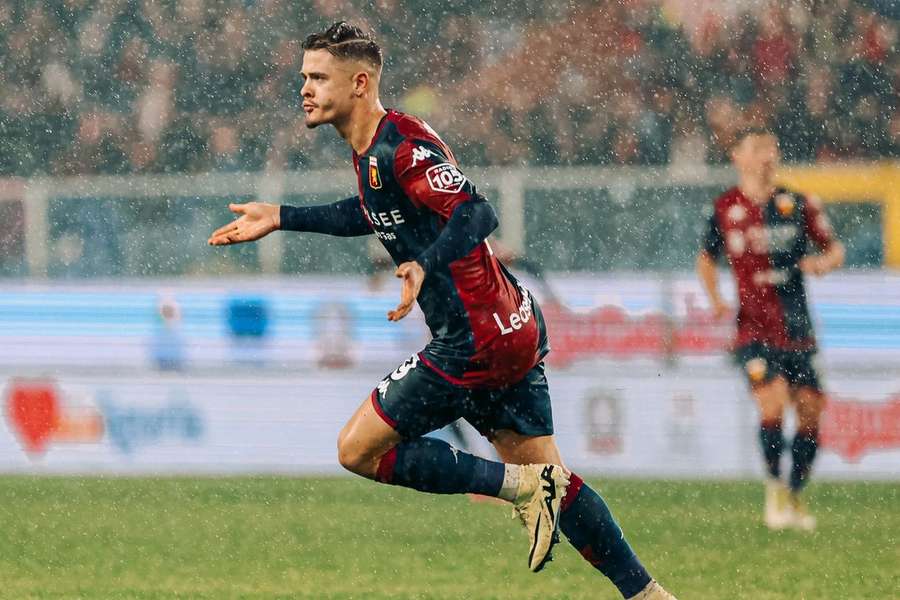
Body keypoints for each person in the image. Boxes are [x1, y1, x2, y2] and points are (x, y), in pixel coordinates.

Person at [209, 22, 675, 600]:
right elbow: (371, 213)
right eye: (303, 76)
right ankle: (649, 594)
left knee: (358, 450)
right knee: (557, 481)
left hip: (472, 339)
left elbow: (476, 211)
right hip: (509, 326)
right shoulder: (374, 153)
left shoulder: (401, 147)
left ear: (359, 82)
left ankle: (520, 489)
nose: (304, 88)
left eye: (317, 77)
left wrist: (426, 263)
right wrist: (281, 215)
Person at [696, 128, 845, 531]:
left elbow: (834, 249)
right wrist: (715, 300)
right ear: (737, 157)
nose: (767, 156)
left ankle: (795, 493)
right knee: (773, 402)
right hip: (753, 330)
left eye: (772, 148)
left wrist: (823, 263)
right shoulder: (725, 207)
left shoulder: (796, 203)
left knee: (812, 413)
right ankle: (774, 489)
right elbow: (706, 259)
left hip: (798, 329)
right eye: (758, 148)